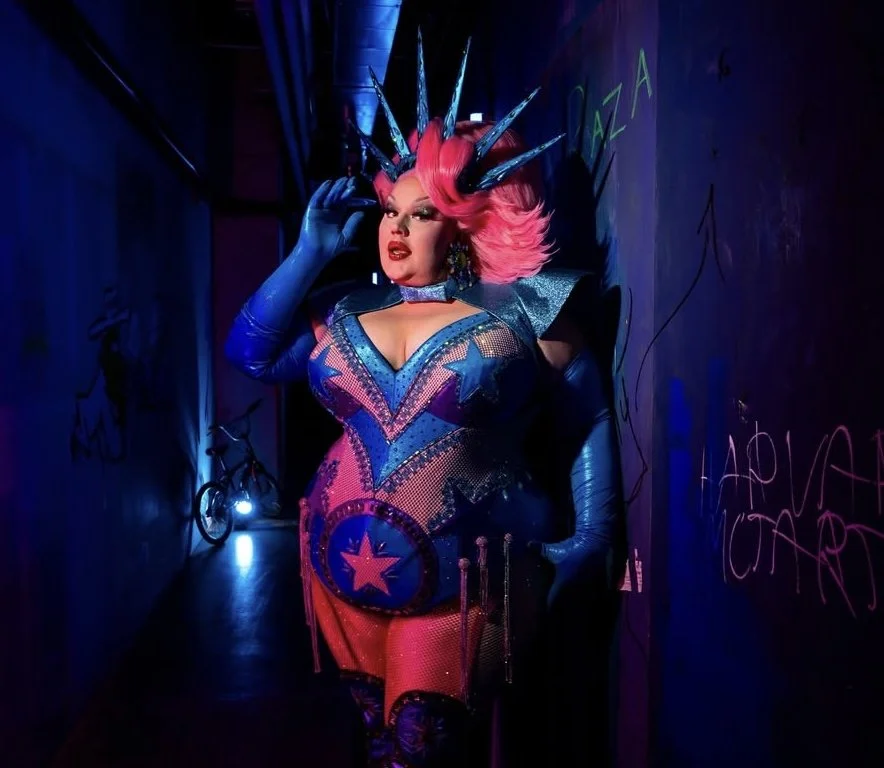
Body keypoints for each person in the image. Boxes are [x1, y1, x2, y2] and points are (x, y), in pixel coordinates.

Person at [225, 32, 623, 768]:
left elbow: (587, 418)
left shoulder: (528, 309)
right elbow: (249, 353)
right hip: (341, 582)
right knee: (380, 748)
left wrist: (593, 536)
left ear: (468, 223)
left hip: (467, 588)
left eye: (422, 214)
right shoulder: (344, 307)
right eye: (390, 212)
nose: (397, 229)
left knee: (422, 752)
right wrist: (310, 251)